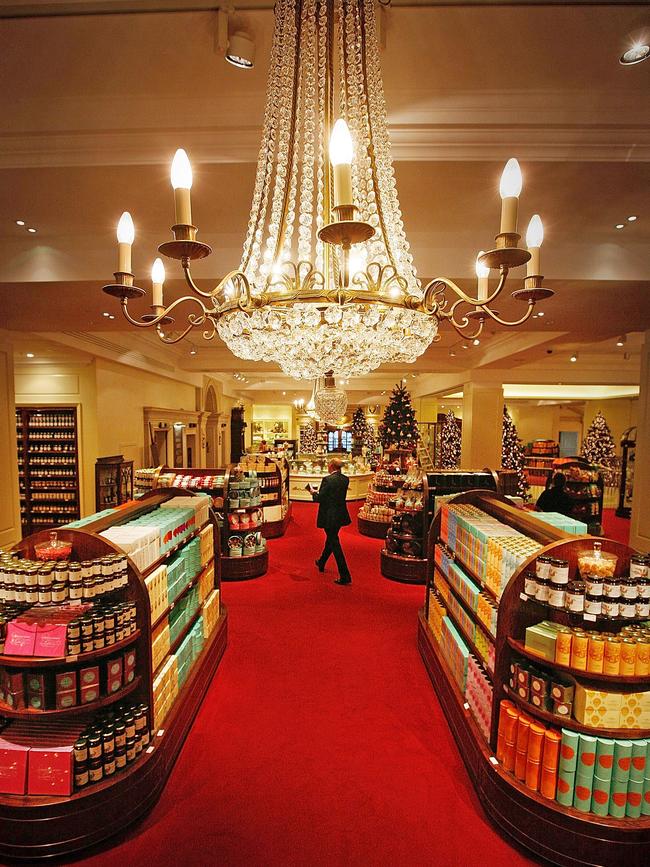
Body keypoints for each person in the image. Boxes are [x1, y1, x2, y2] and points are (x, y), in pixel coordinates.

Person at [310, 458, 352, 585]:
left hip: (329, 515)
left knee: (334, 543)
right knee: (331, 539)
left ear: (332, 466)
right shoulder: (345, 479)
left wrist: (313, 493)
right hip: (340, 515)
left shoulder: (327, 480)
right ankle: (322, 561)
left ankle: (345, 575)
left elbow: (320, 498)